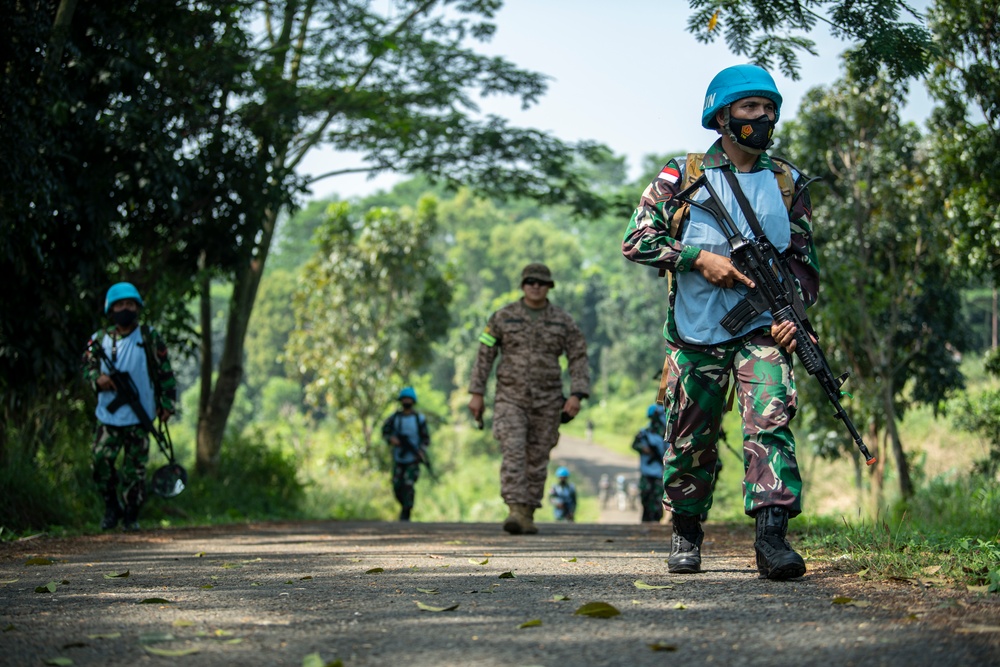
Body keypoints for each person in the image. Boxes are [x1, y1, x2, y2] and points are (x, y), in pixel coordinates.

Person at [622, 64, 819, 580]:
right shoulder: (682, 175)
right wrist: (694, 259)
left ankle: (772, 539)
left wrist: (794, 318)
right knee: (690, 439)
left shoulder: (787, 182)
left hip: (761, 330)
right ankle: (686, 531)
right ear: (722, 116)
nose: (763, 116)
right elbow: (636, 240)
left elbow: (804, 265)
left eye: (769, 107)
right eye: (751, 107)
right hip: (696, 333)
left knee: (770, 424)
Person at [468, 263, 591, 535]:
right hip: (510, 398)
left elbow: (578, 356)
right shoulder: (502, 317)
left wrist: (577, 394)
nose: (536, 286)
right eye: (530, 281)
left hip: (548, 401)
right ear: (523, 285)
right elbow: (484, 354)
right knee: (513, 450)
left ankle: (527, 512)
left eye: (541, 282)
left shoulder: (563, 321)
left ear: (549, 287)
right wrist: (476, 393)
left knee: (537, 457)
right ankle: (514, 508)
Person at [83, 282, 177, 531]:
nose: (125, 308)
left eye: (130, 304)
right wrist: (97, 380)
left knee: (135, 470)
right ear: (111, 309)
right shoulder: (99, 340)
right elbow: (87, 367)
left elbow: (165, 372)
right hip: (108, 416)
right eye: (120, 305)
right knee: (100, 461)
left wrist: (167, 404)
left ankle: (131, 515)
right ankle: (111, 508)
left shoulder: (149, 336)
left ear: (137, 307)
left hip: (140, 415)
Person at [381, 386, 430, 522]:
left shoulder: (419, 419)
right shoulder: (394, 418)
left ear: (413, 401)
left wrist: (420, 451)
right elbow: (384, 432)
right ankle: (404, 506)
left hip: (413, 458)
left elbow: (426, 439)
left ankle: (406, 512)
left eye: (409, 399)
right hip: (399, 457)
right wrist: (392, 439)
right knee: (397, 485)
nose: (406, 401)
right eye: (404, 399)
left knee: (409, 484)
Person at [632, 405, 667, 523]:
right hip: (647, 473)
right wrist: (644, 449)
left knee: (657, 502)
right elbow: (634, 444)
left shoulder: (666, 434)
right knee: (646, 500)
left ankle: (654, 523)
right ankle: (646, 522)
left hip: (659, 473)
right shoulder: (644, 433)